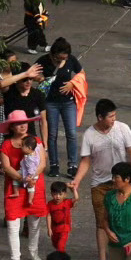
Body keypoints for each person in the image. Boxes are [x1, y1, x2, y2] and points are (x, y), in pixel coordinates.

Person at [71, 100, 131, 260]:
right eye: (110, 116)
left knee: (125, 217)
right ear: (100, 117)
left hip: (123, 183)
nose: (113, 119)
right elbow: (86, 161)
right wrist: (77, 180)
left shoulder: (122, 128)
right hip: (99, 184)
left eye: (115, 115)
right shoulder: (89, 135)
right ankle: (102, 258)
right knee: (102, 221)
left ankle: (127, 250)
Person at [0, 112, 50, 260]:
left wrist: (32, 178)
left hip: (34, 185)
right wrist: (22, 178)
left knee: (34, 222)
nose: (22, 125)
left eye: (24, 122)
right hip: (16, 186)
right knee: (13, 225)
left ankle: (33, 253)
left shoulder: (36, 141)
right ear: (11, 127)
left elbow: (42, 162)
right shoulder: (6, 145)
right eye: (18, 123)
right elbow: (6, 167)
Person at [40, 39, 85, 178]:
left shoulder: (71, 60)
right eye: (59, 58)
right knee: (52, 134)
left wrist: (72, 83)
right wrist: (42, 79)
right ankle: (54, 165)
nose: (61, 60)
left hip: (68, 102)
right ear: (53, 54)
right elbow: (33, 73)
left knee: (71, 133)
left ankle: (72, 165)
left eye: (64, 58)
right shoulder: (43, 60)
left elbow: (81, 73)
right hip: (50, 102)